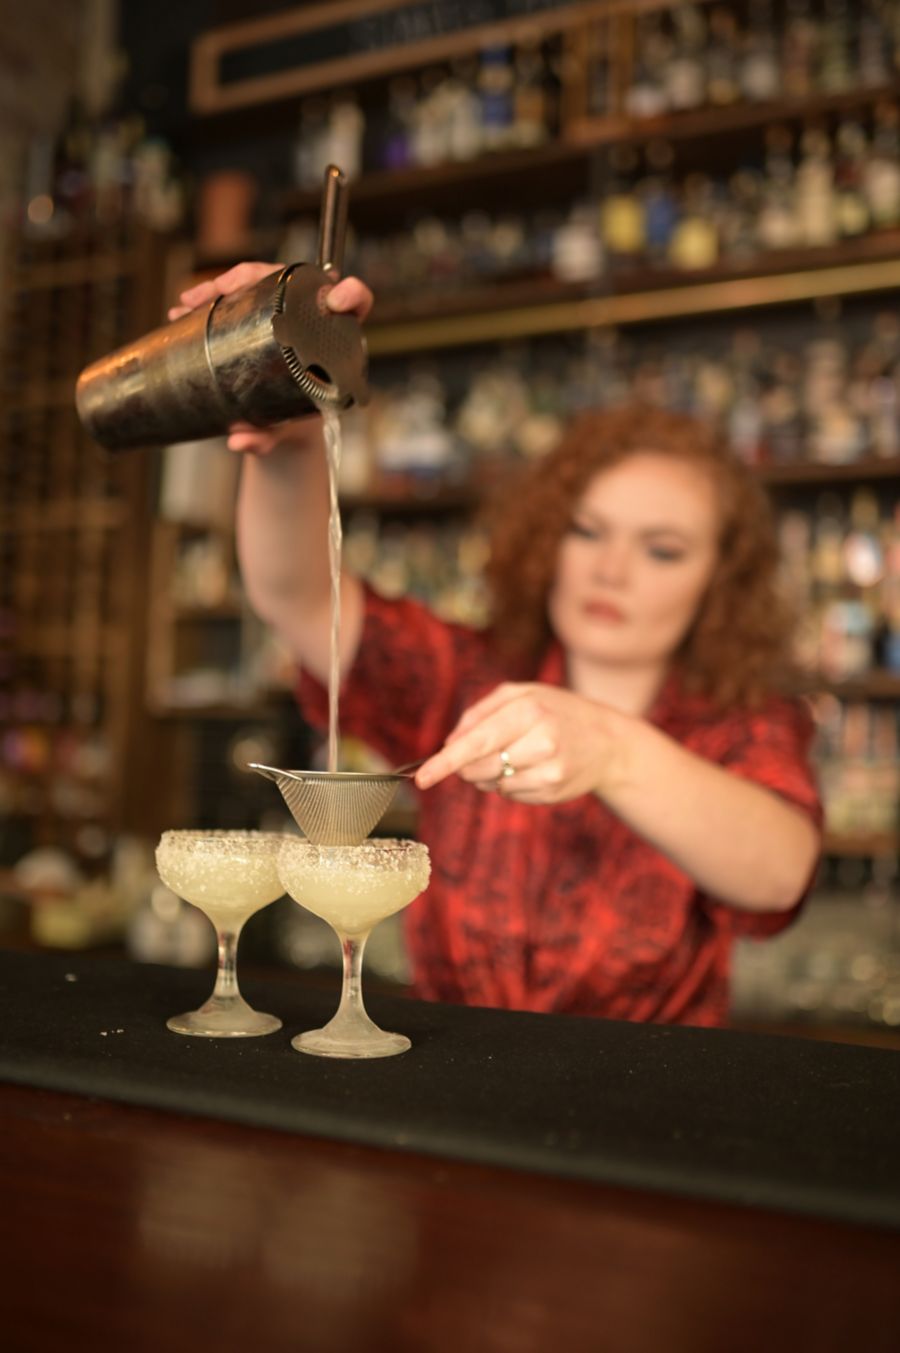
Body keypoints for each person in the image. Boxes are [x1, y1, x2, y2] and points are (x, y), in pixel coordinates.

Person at [171, 265, 822, 1027]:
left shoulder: (743, 723)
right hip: (451, 1097)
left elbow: (780, 873)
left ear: (721, 578)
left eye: (663, 549)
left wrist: (612, 748)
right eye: (588, 531)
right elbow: (300, 595)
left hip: (646, 1115)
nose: (611, 568)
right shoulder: (465, 678)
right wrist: (293, 426)